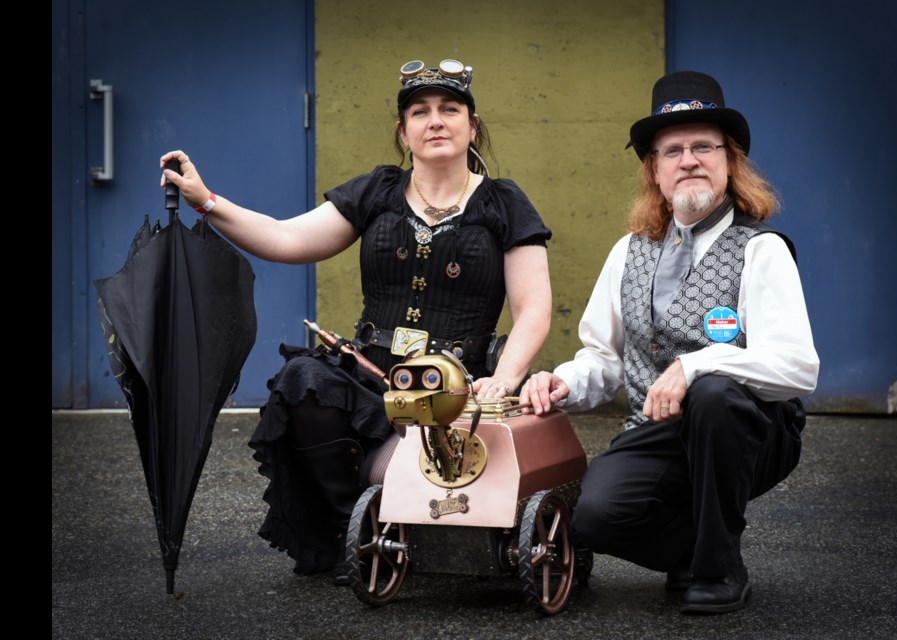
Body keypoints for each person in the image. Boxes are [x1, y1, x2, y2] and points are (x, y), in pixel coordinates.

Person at [160, 58, 553, 584]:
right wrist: (205, 201)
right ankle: (358, 531)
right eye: (420, 112)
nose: (435, 120)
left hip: (452, 388)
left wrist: (502, 381)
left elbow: (534, 308)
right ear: (403, 130)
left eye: (449, 109)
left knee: (389, 472)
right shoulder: (377, 191)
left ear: (472, 125)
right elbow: (286, 239)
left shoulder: (504, 203)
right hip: (369, 375)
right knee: (304, 382)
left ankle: (395, 520)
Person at [519, 70, 819, 614]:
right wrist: (563, 380)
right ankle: (704, 545)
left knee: (713, 395)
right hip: (658, 430)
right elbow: (603, 358)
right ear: (654, 171)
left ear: (730, 162)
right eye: (672, 150)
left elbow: (797, 368)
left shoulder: (761, 249)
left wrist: (698, 367)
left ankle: (719, 569)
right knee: (595, 517)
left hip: (749, 429)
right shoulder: (627, 252)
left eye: (704, 146)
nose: (689, 160)